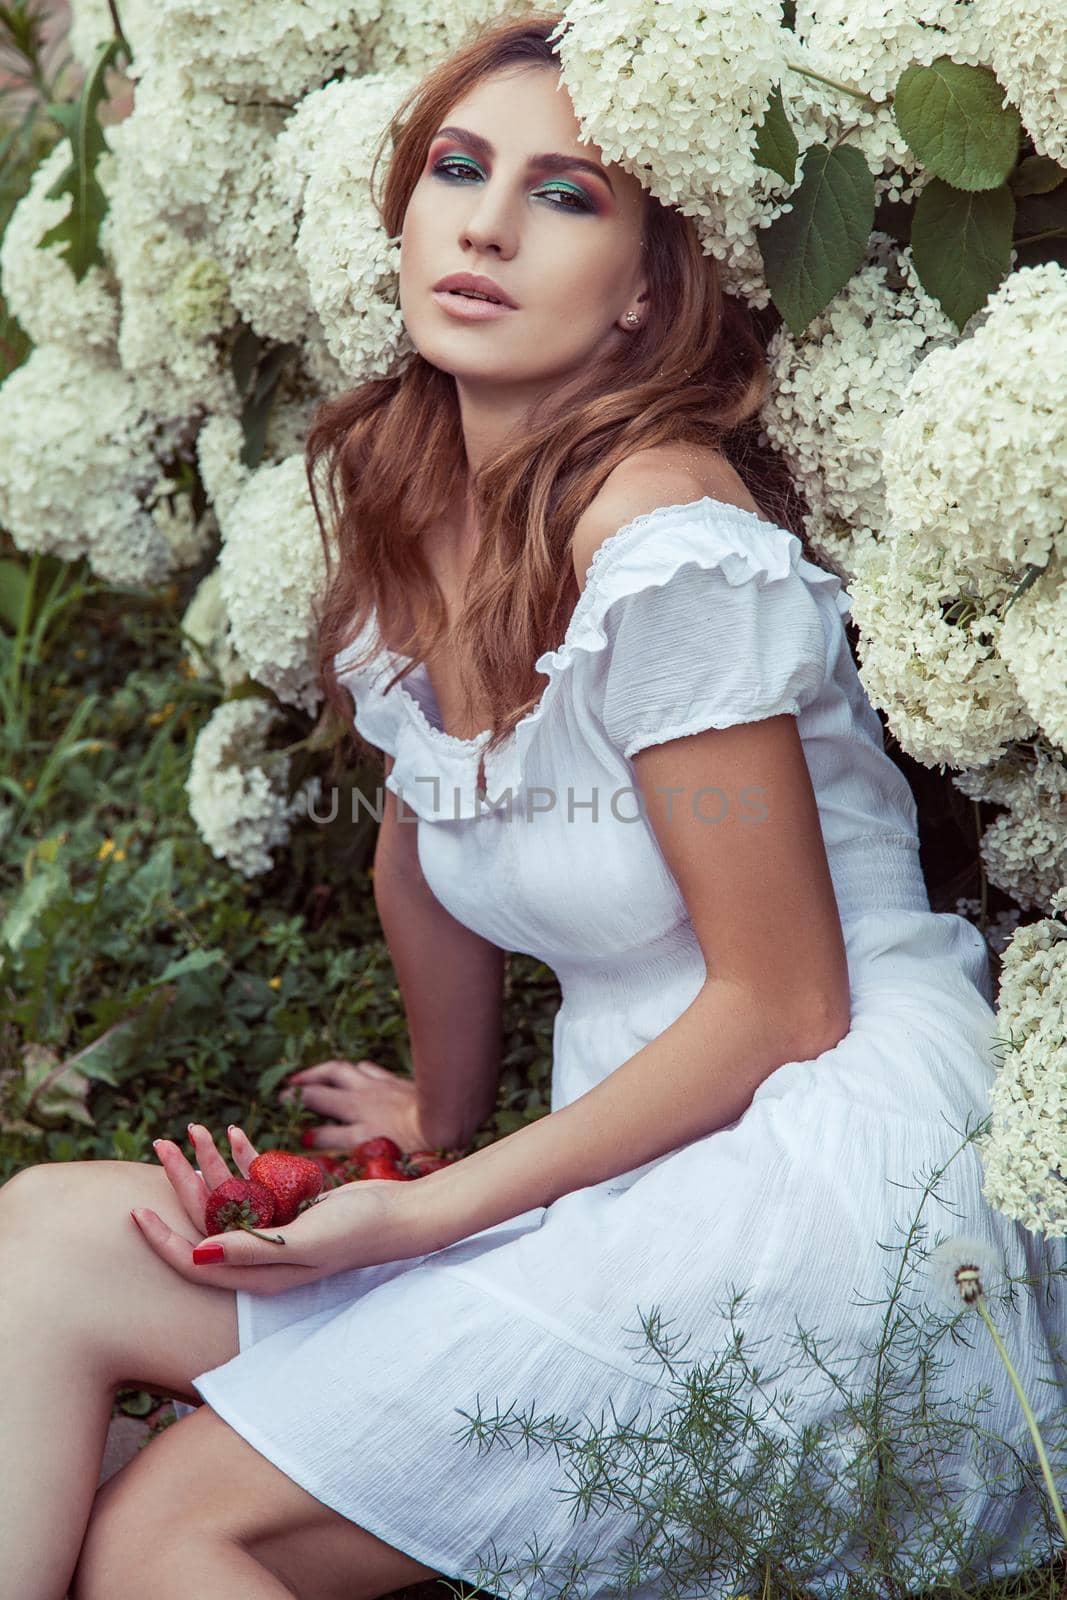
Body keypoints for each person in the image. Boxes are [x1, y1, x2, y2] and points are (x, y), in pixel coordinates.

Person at [1, 11, 1063, 1599]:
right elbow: (424, 846)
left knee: (165, 1525)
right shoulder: (408, 507)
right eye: (459, 168)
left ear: (648, 288)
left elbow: (781, 1005)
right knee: (47, 1246)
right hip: (613, 1156)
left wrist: (424, 1219)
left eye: (567, 194)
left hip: (825, 1171)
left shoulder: (665, 544)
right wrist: (436, 1117)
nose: (489, 221)